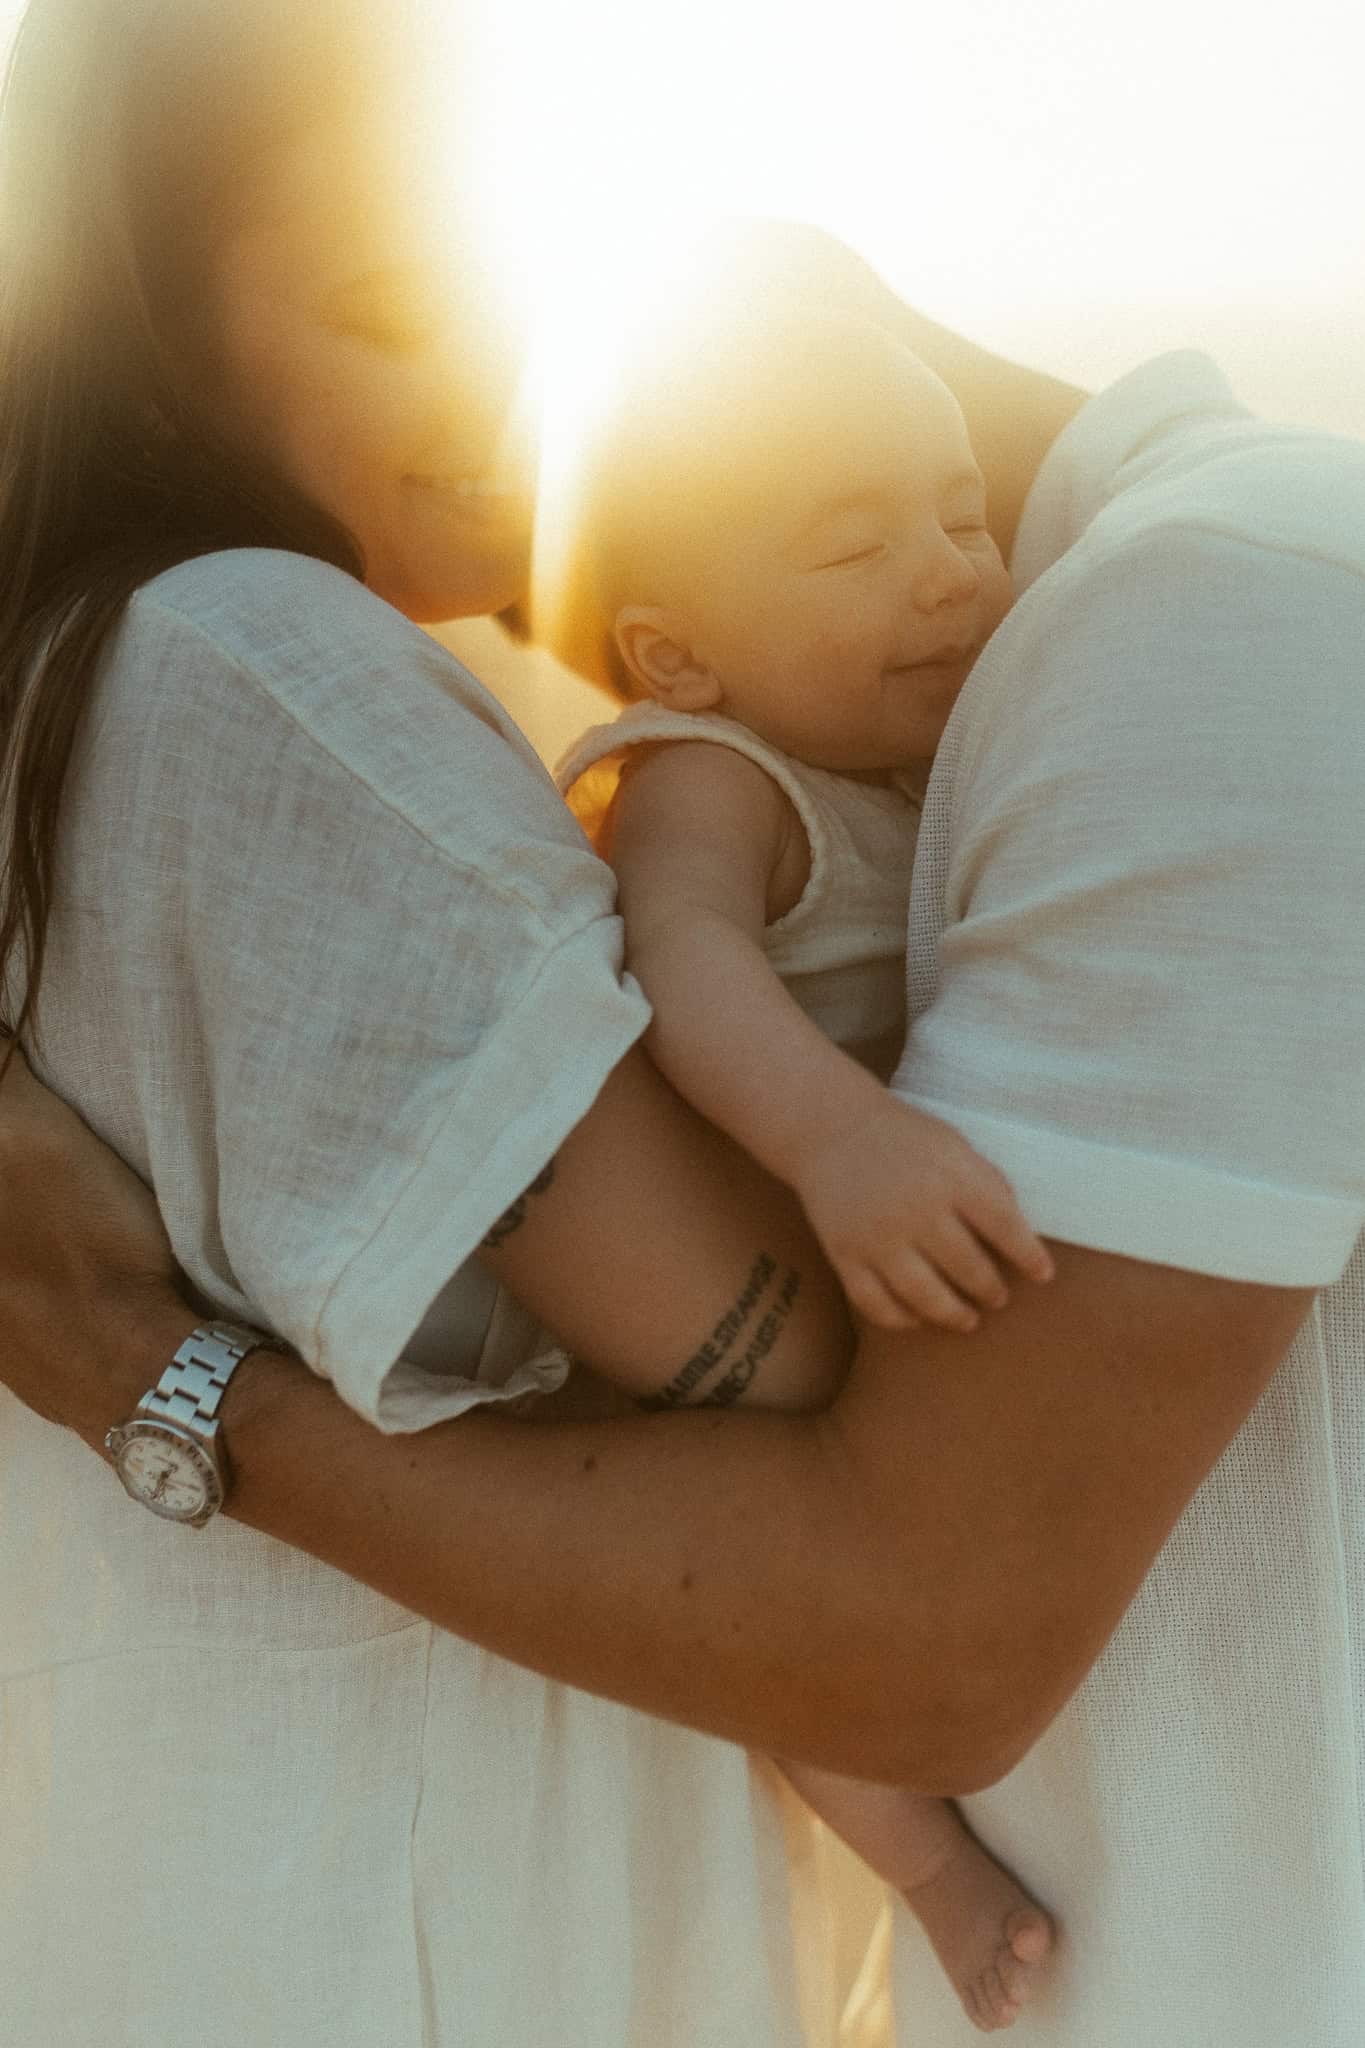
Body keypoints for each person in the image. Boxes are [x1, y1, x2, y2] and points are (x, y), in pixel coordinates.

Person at [3, 4, 1364, 2048]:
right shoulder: (270, 672)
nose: (512, 392)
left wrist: (152, 1377)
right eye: (394, 308)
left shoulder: (1203, 623)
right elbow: (837, 1446)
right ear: (154, 328)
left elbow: (899, 1581)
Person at [559, 303, 1060, 2029]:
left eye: (960, 513)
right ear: (674, 652)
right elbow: (681, 958)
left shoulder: (934, 758)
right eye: (855, 544)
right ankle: (929, 1871)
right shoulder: (714, 773)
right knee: (788, 1586)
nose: (943, 574)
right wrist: (833, 1137)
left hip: (890, 1259)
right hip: (741, 1267)